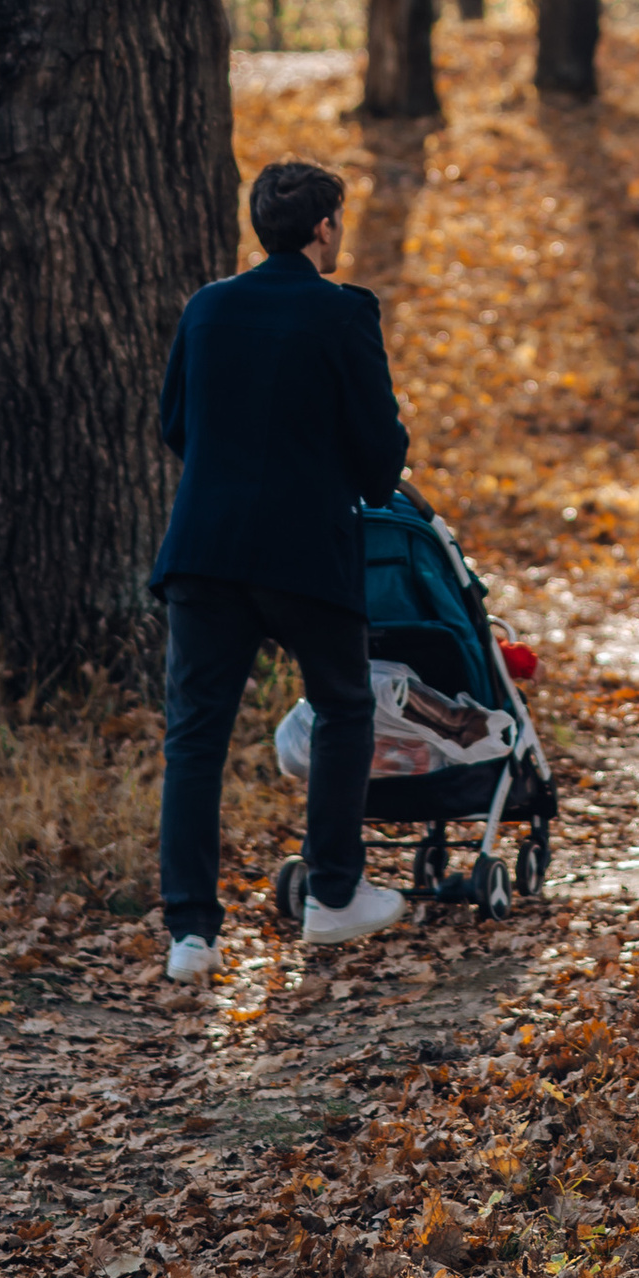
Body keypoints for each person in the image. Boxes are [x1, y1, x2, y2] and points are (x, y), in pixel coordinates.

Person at [153, 153, 410, 974]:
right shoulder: (344, 313)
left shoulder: (207, 309)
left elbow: (175, 425)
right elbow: (378, 454)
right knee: (342, 707)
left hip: (205, 548)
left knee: (195, 737)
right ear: (324, 227)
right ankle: (334, 895)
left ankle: (190, 934)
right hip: (304, 550)